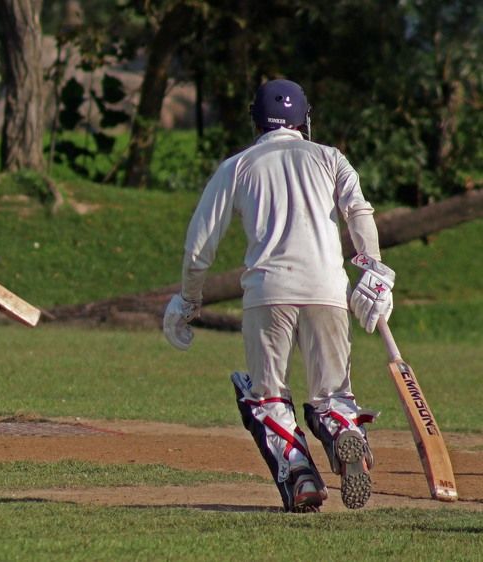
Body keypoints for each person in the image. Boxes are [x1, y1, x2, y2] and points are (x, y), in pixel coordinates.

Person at [163, 79, 390, 513]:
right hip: (327, 288)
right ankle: (343, 427)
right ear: (305, 119)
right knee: (332, 393)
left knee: (265, 395)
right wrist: (374, 268)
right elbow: (358, 212)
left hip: (268, 292)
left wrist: (189, 301)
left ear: (256, 120)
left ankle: (301, 476)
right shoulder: (330, 157)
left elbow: (199, 245)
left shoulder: (239, 165)